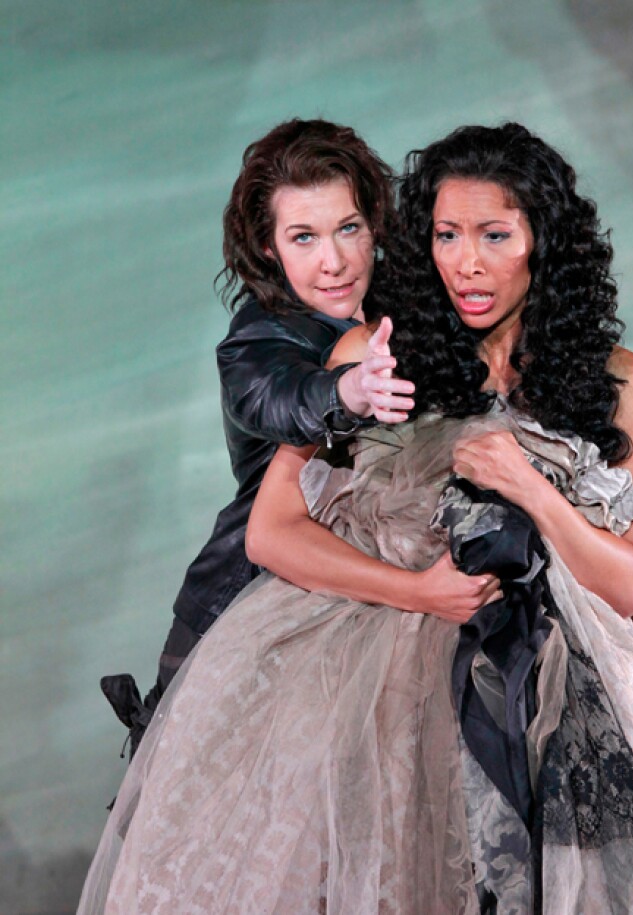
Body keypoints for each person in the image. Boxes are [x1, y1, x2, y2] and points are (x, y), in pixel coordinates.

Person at [79, 124, 633, 914]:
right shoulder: (377, 355)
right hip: (372, 691)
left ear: (543, 240)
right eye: (446, 235)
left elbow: (630, 585)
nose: (467, 262)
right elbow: (272, 530)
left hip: (559, 698)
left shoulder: (621, 381)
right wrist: (417, 589)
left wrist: (532, 490)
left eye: (495, 235)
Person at [100, 117, 427, 757]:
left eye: (349, 229)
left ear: (375, 225)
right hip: (250, 590)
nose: (334, 261)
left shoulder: (398, 299)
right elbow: (274, 395)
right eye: (304, 237)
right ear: (269, 247)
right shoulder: (258, 336)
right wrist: (348, 391)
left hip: (373, 565)